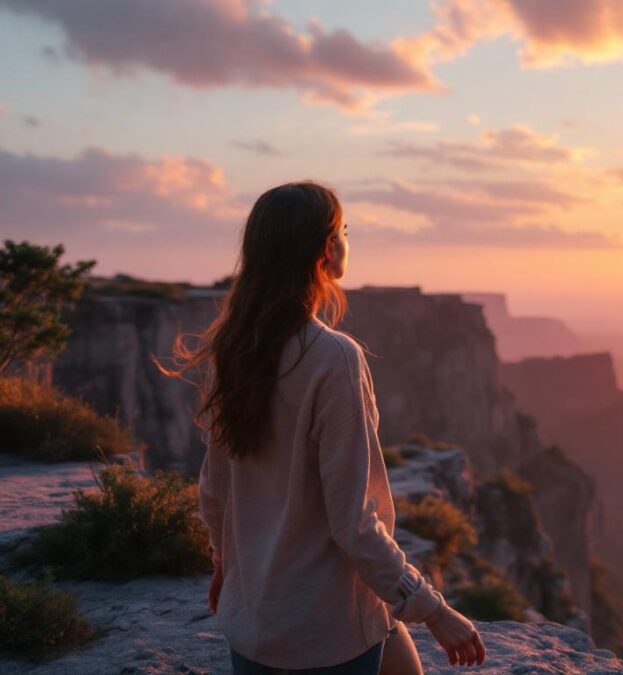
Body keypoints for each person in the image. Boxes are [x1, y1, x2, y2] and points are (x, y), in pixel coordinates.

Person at [155, 180, 486, 673]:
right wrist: (435, 612)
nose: (347, 240)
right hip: (325, 634)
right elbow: (353, 522)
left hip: (255, 624)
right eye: (344, 230)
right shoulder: (334, 359)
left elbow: (214, 488)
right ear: (328, 249)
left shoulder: (236, 350)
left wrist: (224, 563)